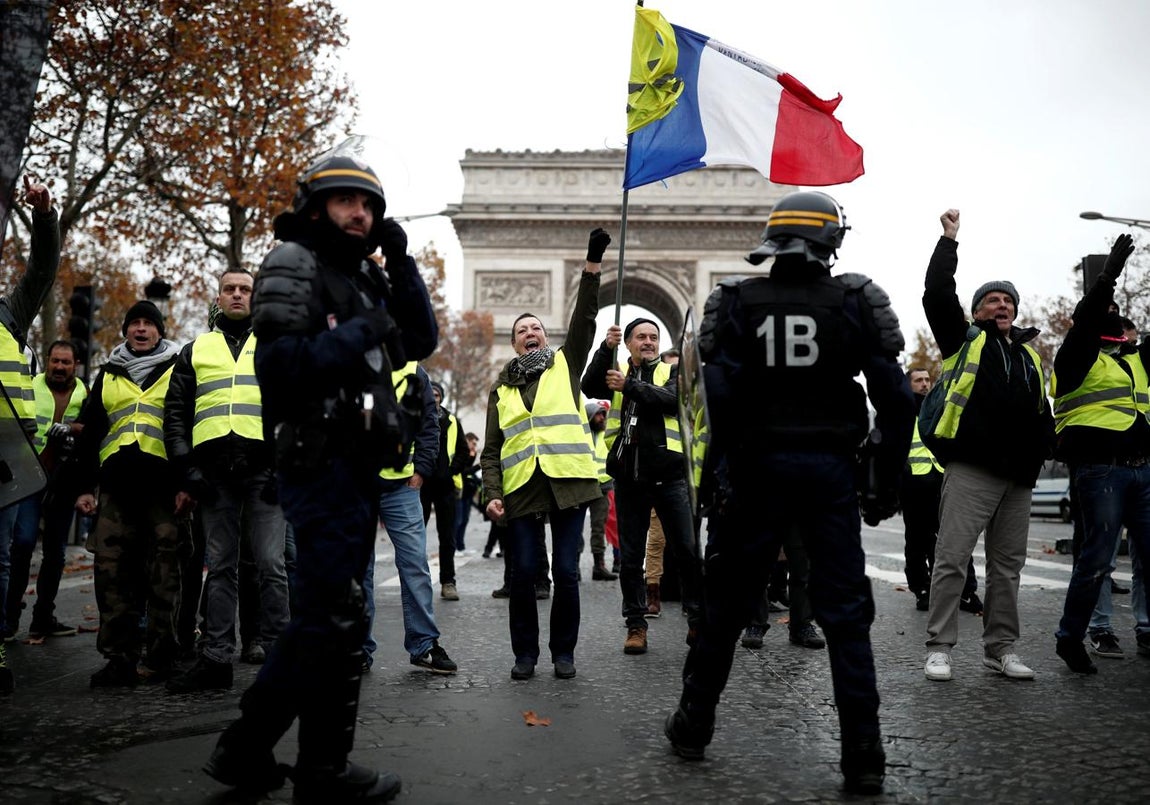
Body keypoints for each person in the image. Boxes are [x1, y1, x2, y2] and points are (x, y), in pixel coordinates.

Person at [202, 150, 437, 803]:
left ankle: (257, 751)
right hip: (315, 460)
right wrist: (364, 325)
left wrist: (401, 258)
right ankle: (314, 767)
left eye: (370, 206)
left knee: (333, 615)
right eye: (346, 201)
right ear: (315, 207)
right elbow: (278, 368)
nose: (360, 213)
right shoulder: (292, 262)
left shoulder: (360, 273)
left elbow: (419, 337)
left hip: (355, 465)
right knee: (329, 618)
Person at [664, 191, 913, 796]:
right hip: (830, 472)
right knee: (847, 614)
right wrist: (882, 469)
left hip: (756, 469)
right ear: (832, 240)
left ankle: (694, 725)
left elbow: (713, 405)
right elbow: (899, 401)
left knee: (727, 605)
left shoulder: (734, 301)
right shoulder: (856, 301)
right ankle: (864, 756)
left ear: (772, 241)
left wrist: (717, 479)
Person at [920, 209, 1053, 683]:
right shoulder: (964, 342)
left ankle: (1001, 649)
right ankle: (939, 647)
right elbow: (936, 293)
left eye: (1007, 300)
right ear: (977, 312)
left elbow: (1044, 415)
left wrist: (1039, 456)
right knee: (953, 558)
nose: (1001, 305)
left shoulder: (1032, 357)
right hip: (973, 467)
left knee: (1007, 568)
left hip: (1018, 476)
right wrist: (949, 241)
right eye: (992, 300)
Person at [481, 228, 609, 681]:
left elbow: (585, 321)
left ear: (545, 336)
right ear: (514, 343)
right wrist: (491, 493)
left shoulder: (566, 363)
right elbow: (492, 449)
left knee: (568, 573)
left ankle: (563, 653)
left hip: (570, 482)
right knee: (524, 575)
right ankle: (525, 655)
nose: (530, 333)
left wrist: (592, 265)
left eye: (536, 327)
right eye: (522, 331)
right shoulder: (500, 386)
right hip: (521, 489)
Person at [163, 269, 290, 693]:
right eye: (229, 289)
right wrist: (188, 470)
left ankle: (278, 654)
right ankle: (216, 657)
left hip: (264, 472)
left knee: (272, 565)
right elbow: (176, 414)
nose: (237, 295)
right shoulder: (195, 349)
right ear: (218, 296)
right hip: (213, 474)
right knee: (219, 567)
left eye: (245, 289)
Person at [1050, 233, 1150, 674]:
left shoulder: (1134, 361)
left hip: (1143, 473)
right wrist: (1108, 274)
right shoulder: (1074, 358)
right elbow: (1090, 315)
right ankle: (1071, 638)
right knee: (1095, 561)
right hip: (1100, 473)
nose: (1108, 317)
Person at [74, 300, 183, 688]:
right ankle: (119, 658)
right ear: (125, 331)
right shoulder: (108, 374)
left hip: (163, 489)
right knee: (111, 574)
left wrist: (187, 483)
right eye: (134, 323)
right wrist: (84, 488)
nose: (140, 329)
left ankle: (161, 656)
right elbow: (89, 433)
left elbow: (187, 426)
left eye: (148, 324)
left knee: (164, 576)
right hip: (116, 491)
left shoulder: (179, 368)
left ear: (160, 331)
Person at [582, 318, 703, 656]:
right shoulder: (617, 371)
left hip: (670, 477)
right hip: (629, 480)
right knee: (631, 559)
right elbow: (590, 385)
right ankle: (636, 624)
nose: (648, 342)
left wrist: (629, 387)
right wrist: (605, 350)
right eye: (641, 337)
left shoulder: (672, 372)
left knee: (688, 552)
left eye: (654, 337)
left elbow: (671, 400)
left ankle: (697, 618)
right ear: (629, 343)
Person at [0, 177, 59, 670]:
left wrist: (44, 217)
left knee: (5, 555)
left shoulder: (10, 314)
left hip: (8, 457)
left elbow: (42, 269)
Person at [364, 361, 457, 675]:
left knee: (416, 565)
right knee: (357, 572)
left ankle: (424, 645)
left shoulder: (413, 371)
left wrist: (421, 470)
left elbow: (429, 424)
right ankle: (357, 648)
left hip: (401, 486)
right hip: (356, 486)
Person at [5, 340, 87, 640]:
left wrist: (76, 430)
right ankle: (9, 616)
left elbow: (92, 428)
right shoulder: (30, 385)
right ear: (48, 361)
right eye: (55, 361)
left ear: (74, 364)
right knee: (23, 543)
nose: (59, 367)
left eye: (65, 362)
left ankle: (43, 617)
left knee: (56, 553)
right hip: (28, 478)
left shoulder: (85, 392)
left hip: (62, 483)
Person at [901, 366, 983, 614]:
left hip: (944, 480)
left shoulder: (941, 407)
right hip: (914, 484)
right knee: (917, 541)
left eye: (927, 379)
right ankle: (923, 590)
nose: (925, 384)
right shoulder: (901, 412)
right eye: (918, 380)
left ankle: (966, 591)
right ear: (909, 385)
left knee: (957, 538)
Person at [420, 380, 469, 600]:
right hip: (420, 484)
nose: (434, 398)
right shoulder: (417, 418)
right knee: (416, 536)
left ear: (442, 398)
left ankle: (448, 582)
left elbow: (463, 452)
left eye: (437, 395)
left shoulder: (451, 421)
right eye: (431, 395)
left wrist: (450, 472)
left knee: (447, 537)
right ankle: (416, 582)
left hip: (445, 487)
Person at [582, 400, 617, 582]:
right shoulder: (581, 434)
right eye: (598, 414)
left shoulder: (606, 434)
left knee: (598, 528)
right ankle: (573, 566)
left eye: (603, 414)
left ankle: (599, 565)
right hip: (582, 486)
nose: (602, 417)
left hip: (602, 488)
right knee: (575, 530)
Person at [455, 432, 481, 553]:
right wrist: (477, 465)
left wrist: (472, 457)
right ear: (467, 440)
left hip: (468, 492)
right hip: (460, 492)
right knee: (458, 520)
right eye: (473, 444)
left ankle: (461, 546)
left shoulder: (470, 454)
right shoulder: (461, 451)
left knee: (464, 520)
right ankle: (454, 547)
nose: (474, 447)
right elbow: (464, 472)